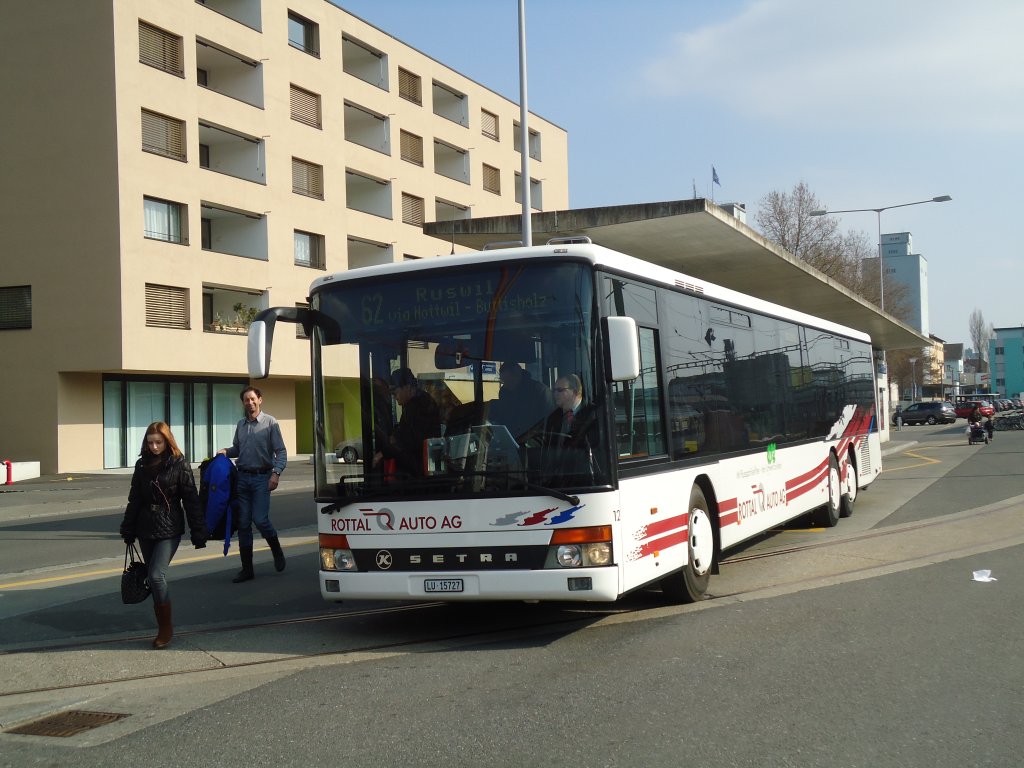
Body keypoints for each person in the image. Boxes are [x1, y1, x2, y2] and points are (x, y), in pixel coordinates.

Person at [119, 422, 207, 649]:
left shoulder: (179, 464)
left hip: (169, 527)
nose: (154, 446)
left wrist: (198, 531)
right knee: (151, 575)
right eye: (150, 442)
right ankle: (162, 623)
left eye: (158, 442)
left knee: (157, 575)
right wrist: (128, 528)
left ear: (167, 441)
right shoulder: (141, 465)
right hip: (145, 527)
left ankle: (165, 628)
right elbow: (135, 499)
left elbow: (191, 499)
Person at [218, 386, 288, 583]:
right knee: (243, 524)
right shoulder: (241, 424)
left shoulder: (270, 423)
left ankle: (276, 550)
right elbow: (237, 449)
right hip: (242, 478)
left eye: (252, 399)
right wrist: (225, 451)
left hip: (261, 478)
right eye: (246, 400)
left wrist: (276, 473)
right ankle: (247, 569)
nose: (249, 403)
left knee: (260, 519)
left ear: (260, 400)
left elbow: (281, 452)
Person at [373, 368, 442, 478]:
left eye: (395, 393)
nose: (394, 397)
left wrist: (382, 454)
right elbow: (405, 431)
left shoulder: (419, 406)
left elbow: (409, 440)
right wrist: (395, 435)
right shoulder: (416, 403)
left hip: (418, 475)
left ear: (408, 388)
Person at [542, 373, 603, 480]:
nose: (555, 394)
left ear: (574, 392)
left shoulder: (593, 414)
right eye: (554, 390)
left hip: (585, 478)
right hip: (558, 478)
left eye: (560, 390)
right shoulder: (553, 417)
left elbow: (597, 449)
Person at [490, 362, 554, 442]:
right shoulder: (504, 392)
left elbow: (549, 422)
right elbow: (503, 415)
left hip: (535, 441)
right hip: (510, 439)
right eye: (503, 381)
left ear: (518, 376)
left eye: (509, 381)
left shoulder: (540, 391)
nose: (505, 385)